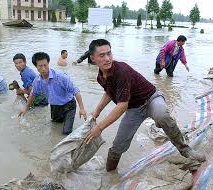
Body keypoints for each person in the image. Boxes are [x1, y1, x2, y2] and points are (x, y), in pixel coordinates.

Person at [84, 39, 206, 172]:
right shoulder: (100, 77)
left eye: (109, 53)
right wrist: (97, 111)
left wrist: (100, 128)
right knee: (119, 144)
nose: (107, 58)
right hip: (134, 109)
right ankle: (110, 173)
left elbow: (121, 106)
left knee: (162, 116)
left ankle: (185, 150)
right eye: (102, 55)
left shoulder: (122, 71)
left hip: (151, 98)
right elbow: (109, 92)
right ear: (93, 58)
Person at [19, 52, 87, 135]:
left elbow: (76, 91)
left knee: (66, 132)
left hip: (69, 105)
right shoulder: (37, 81)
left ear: (48, 63)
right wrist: (26, 108)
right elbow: (33, 94)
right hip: (55, 106)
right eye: (40, 66)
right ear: (36, 67)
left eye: (45, 65)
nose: (43, 68)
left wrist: (82, 108)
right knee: (54, 126)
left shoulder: (61, 76)